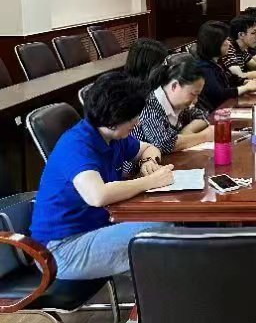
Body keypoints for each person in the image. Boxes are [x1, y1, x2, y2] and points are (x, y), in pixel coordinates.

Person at [29, 72, 175, 280]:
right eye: (133, 118)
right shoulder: (76, 145)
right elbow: (97, 196)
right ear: (114, 120)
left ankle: (156, 294)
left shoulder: (112, 136)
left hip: (94, 230)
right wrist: (149, 181)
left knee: (165, 223)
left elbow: (148, 148)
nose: (138, 123)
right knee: (161, 229)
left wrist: (148, 162)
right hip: (60, 250)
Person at [123, 56, 213, 176]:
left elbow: (201, 116)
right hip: (133, 174)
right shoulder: (149, 105)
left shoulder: (178, 104)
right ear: (175, 86)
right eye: (193, 94)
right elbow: (165, 144)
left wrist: (185, 133)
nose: (196, 100)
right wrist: (205, 136)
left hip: (162, 167)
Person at [195, 20, 256, 111]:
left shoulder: (218, 62)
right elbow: (219, 94)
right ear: (215, 42)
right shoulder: (204, 67)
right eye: (226, 40)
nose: (229, 43)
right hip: (215, 113)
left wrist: (245, 82)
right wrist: (245, 88)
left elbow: (231, 79)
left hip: (226, 108)